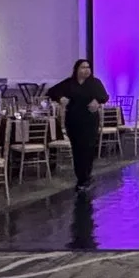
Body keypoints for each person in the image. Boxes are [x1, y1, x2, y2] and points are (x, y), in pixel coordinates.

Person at [47, 58, 109, 189]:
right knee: (77, 149)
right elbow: (51, 92)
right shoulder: (69, 83)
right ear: (76, 69)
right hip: (73, 120)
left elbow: (105, 96)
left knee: (88, 148)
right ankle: (81, 177)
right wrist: (60, 98)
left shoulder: (94, 83)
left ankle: (86, 176)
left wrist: (97, 101)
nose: (86, 70)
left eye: (88, 67)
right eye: (83, 67)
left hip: (90, 120)